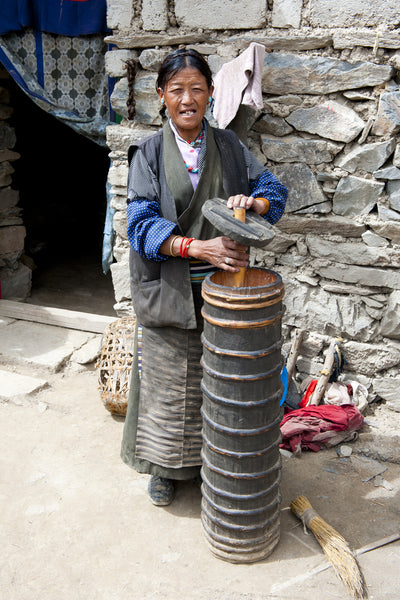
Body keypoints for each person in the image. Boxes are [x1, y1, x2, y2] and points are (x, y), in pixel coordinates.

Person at [120, 48, 288, 506]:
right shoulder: (149, 153)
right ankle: (163, 470)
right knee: (169, 382)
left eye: (197, 89)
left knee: (219, 380)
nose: (188, 99)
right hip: (170, 288)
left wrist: (255, 205)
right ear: (162, 96)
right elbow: (139, 224)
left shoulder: (230, 147)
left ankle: (212, 464)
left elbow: (274, 189)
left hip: (224, 290)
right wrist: (199, 248)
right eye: (178, 90)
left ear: (211, 94)